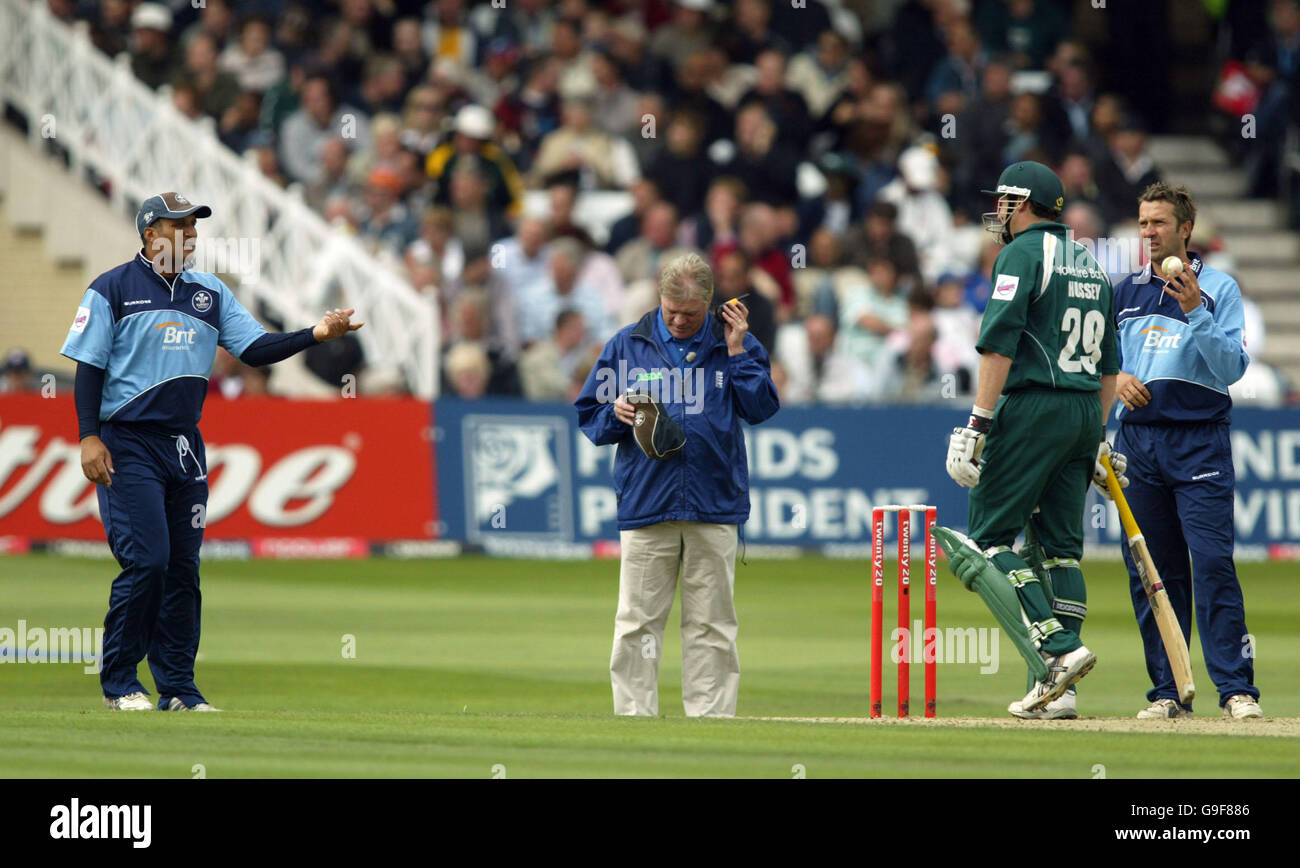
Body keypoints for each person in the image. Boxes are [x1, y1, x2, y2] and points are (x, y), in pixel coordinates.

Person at [60, 193, 363, 712]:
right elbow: (88, 367)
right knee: (148, 561)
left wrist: (316, 333)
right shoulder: (111, 288)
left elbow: (254, 348)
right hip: (125, 440)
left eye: (194, 228)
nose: (190, 236)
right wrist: (89, 436)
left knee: (183, 570)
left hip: (184, 445)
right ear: (150, 235)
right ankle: (120, 683)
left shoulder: (209, 292)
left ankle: (178, 688)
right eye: (178, 227)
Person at [940, 161, 1121, 719]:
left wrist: (977, 424)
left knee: (987, 540)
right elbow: (1111, 367)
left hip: (1033, 407)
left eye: (1004, 200)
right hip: (1085, 412)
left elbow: (998, 345)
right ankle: (1060, 695)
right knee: (1061, 550)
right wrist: (1095, 436)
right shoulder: (1092, 263)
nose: (997, 210)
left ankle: (1057, 650)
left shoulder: (1019, 255)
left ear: (1023, 203)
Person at [574, 252, 779, 717]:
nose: (681, 321)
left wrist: (737, 350)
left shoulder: (734, 344)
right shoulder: (626, 345)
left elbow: (762, 408)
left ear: (710, 302)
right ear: (659, 298)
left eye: (690, 313)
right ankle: (633, 718)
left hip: (714, 503)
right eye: (672, 312)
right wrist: (616, 413)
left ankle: (711, 721)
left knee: (712, 624)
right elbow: (590, 419)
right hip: (648, 502)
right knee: (636, 624)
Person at [1112, 183, 1262, 720]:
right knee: (1154, 573)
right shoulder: (1124, 290)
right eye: (1143, 222)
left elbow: (1231, 370)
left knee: (1214, 563)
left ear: (1184, 230)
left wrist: (1197, 310)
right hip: (1139, 445)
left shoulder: (1220, 287)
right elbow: (1101, 367)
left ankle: (1236, 690)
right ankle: (1169, 692)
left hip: (1199, 440)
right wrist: (1118, 379)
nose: (1148, 232)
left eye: (1158, 223)